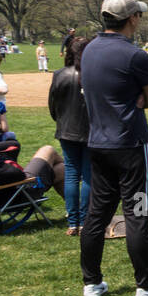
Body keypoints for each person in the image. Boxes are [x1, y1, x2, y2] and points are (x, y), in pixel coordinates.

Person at [78, 0, 148, 296]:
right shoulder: (135, 56)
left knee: (97, 215)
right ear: (131, 18)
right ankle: (145, 288)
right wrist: (140, 99)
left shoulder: (89, 50)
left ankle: (91, 283)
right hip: (131, 144)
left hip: (98, 142)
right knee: (137, 213)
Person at [48, 36, 92, 236]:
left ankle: (73, 222)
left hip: (66, 130)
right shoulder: (92, 75)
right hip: (90, 131)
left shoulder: (59, 74)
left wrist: (60, 120)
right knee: (89, 175)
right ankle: (84, 221)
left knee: (72, 175)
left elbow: (53, 104)